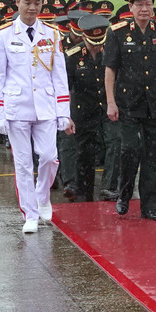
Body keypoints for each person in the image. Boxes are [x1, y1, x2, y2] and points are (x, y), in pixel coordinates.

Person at [0, 0, 73, 234]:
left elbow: (60, 76)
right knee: (23, 163)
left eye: (37, 1)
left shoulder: (52, 33)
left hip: (46, 106)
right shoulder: (3, 34)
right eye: (27, 1)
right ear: (18, 3)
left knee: (49, 157)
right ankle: (30, 213)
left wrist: (64, 112)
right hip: (17, 108)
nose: (32, 7)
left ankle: (42, 196)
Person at [103, 0, 156, 220]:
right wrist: (111, 102)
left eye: (148, 3)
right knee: (130, 150)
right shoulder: (117, 33)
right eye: (139, 4)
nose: (144, 8)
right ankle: (124, 194)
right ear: (130, 8)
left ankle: (150, 204)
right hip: (128, 103)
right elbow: (110, 69)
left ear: (153, 5)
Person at [65, 13, 110, 202]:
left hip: (107, 109)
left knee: (116, 144)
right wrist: (66, 115)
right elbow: (65, 87)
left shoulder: (109, 51)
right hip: (83, 110)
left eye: (100, 41)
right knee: (86, 154)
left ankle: (111, 188)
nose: (97, 45)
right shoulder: (73, 57)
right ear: (84, 37)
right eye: (93, 41)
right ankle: (84, 194)